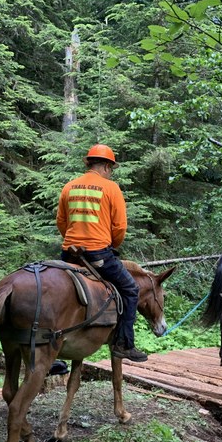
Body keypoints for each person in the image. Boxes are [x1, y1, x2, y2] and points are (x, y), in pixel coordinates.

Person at [56, 144, 147, 363]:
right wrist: (112, 245)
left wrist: (74, 237)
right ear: (106, 166)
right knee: (131, 289)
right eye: (111, 168)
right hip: (98, 255)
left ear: (89, 163)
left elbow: (61, 221)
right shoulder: (111, 188)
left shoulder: (69, 186)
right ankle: (124, 344)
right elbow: (119, 227)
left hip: (69, 254)